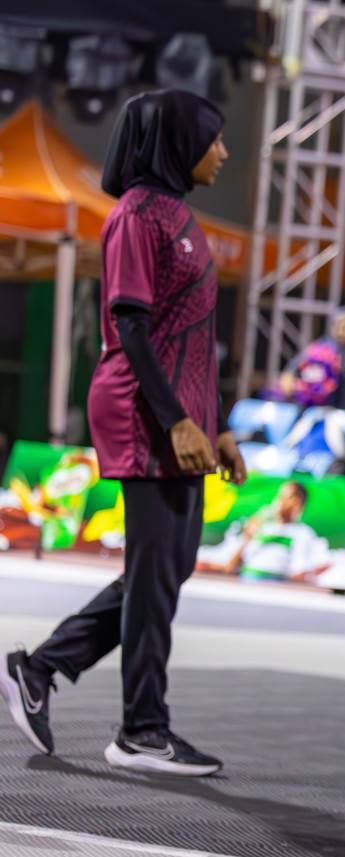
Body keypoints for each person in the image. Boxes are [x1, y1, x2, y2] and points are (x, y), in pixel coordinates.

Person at [2, 89, 242, 775]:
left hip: (181, 413)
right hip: (143, 410)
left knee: (165, 569)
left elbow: (194, 336)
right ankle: (141, 729)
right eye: (213, 139)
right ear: (177, 141)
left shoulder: (179, 215)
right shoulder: (137, 215)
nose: (223, 152)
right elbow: (130, 325)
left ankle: (43, 669)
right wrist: (175, 421)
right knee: (157, 571)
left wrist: (216, 425)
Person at [195, 481, 331, 583]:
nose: (281, 501)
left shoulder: (302, 533)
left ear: (299, 503)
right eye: (280, 496)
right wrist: (247, 537)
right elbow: (231, 566)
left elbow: (297, 573)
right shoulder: (262, 527)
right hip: (245, 583)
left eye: (287, 497)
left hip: (274, 587)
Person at [262, 307, 345, 413]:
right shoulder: (318, 350)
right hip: (314, 411)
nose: (343, 333)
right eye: (340, 327)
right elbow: (290, 372)